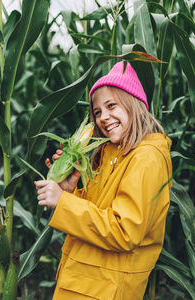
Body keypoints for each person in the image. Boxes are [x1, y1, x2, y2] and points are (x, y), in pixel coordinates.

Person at [34, 61, 172, 300]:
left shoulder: (146, 159)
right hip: (83, 285)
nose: (103, 117)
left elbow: (123, 231)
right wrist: (67, 191)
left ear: (134, 104)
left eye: (111, 106)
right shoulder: (108, 155)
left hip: (104, 291)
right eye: (97, 112)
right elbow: (95, 214)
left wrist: (63, 203)